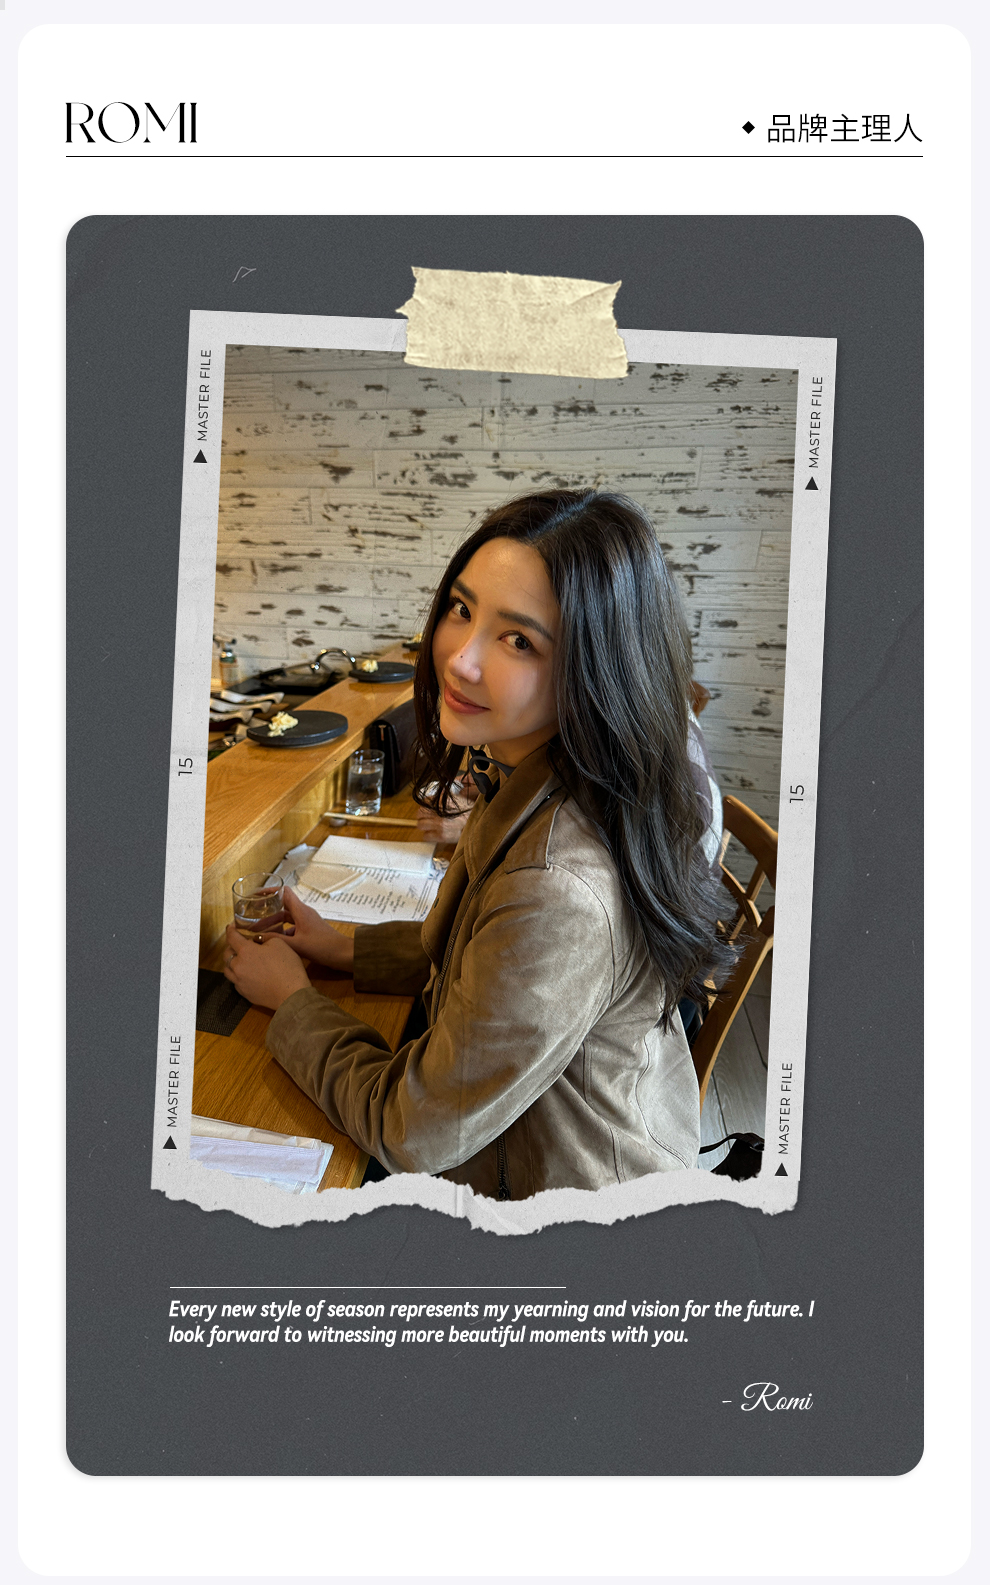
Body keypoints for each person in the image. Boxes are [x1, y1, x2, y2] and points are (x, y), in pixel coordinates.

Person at [222, 489, 735, 1200]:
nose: (460, 659)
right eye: (462, 609)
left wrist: (293, 1002)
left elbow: (411, 1130)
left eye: (519, 640)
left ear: (594, 668)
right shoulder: (537, 773)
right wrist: (343, 950)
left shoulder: (558, 885)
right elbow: (483, 955)